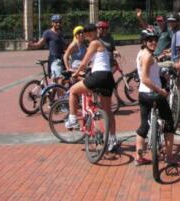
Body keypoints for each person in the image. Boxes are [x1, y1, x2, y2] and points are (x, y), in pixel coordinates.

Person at [65, 24, 118, 153]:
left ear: (92, 33)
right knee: (107, 111)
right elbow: (95, 63)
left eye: (88, 32)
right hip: (108, 78)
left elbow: (84, 62)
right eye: (87, 32)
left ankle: (72, 119)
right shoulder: (100, 45)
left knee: (73, 91)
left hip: (98, 76)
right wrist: (85, 70)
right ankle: (112, 139)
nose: (87, 35)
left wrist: (76, 73)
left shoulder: (94, 43)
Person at [135, 28, 177, 166]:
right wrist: (160, 91)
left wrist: (159, 71)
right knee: (169, 123)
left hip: (142, 94)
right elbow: (145, 79)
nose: (153, 42)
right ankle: (170, 156)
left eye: (155, 40)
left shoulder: (142, 53)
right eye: (150, 40)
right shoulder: (147, 56)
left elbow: (151, 66)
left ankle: (139, 157)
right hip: (153, 94)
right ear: (144, 41)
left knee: (143, 125)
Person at [27, 14, 66, 82]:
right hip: (54, 59)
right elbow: (40, 43)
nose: (58, 24)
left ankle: (52, 92)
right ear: (52, 23)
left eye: (60, 22)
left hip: (62, 59)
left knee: (62, 79)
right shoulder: (48, 33)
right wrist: (32, 45)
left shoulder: (61, 33)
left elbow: (64, 46)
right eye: (56, 22)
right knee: (59, 79)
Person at [165, 13, 180, 121]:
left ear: (177, 22)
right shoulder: (174, 33)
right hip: (174, 62)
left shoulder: (179, 33)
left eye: (173, 21)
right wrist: (167, 53)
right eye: (169, 21)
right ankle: (176, 108)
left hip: (178, 63)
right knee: (174, 85)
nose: (171, 23)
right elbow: (176, 50)